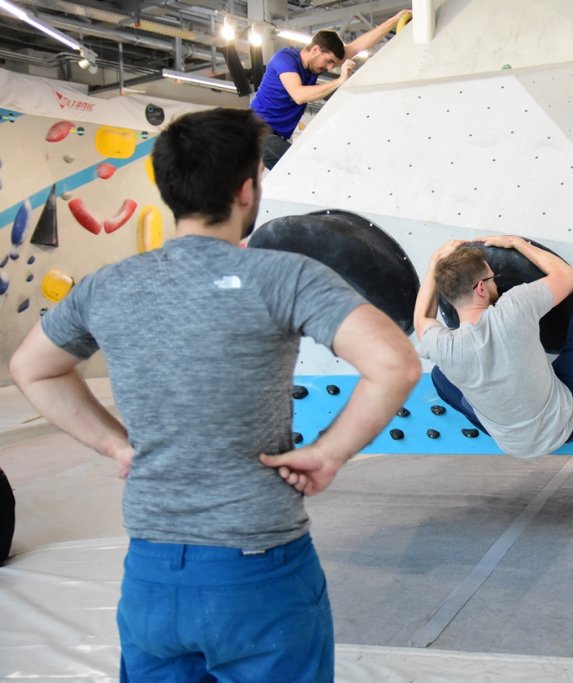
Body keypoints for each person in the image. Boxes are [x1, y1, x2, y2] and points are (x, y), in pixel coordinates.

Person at [8, 108, 420, 680]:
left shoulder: (108, 286)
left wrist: (115, 446)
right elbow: (394, 363)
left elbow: (32, 369)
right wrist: (329, 454)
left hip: (152, 574)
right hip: (258, 569)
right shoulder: (284, 276)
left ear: (167, 188)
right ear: (247, 189)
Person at [413, 225, 573, 457]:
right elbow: (571, 277)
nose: (496, 283)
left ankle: (505, 425)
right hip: (567, 422)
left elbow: (421, 318)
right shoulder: (514, 306)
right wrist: (518, 243)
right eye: (492, 279)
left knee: (439, 376)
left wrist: (434, 266)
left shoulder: (440, 345)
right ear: (481, 288)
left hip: (512, 444)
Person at [250, 9, 411, 169]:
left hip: (274, 135)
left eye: (333, 63)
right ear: (315, 50)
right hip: (255, 130)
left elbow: (357, 47)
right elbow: (298, 95)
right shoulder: (284, 59)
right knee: (298, 168)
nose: (329, 67)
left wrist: (395, 20)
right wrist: (339, 81)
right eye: (328, 61)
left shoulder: (315, 64)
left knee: (292, 172)